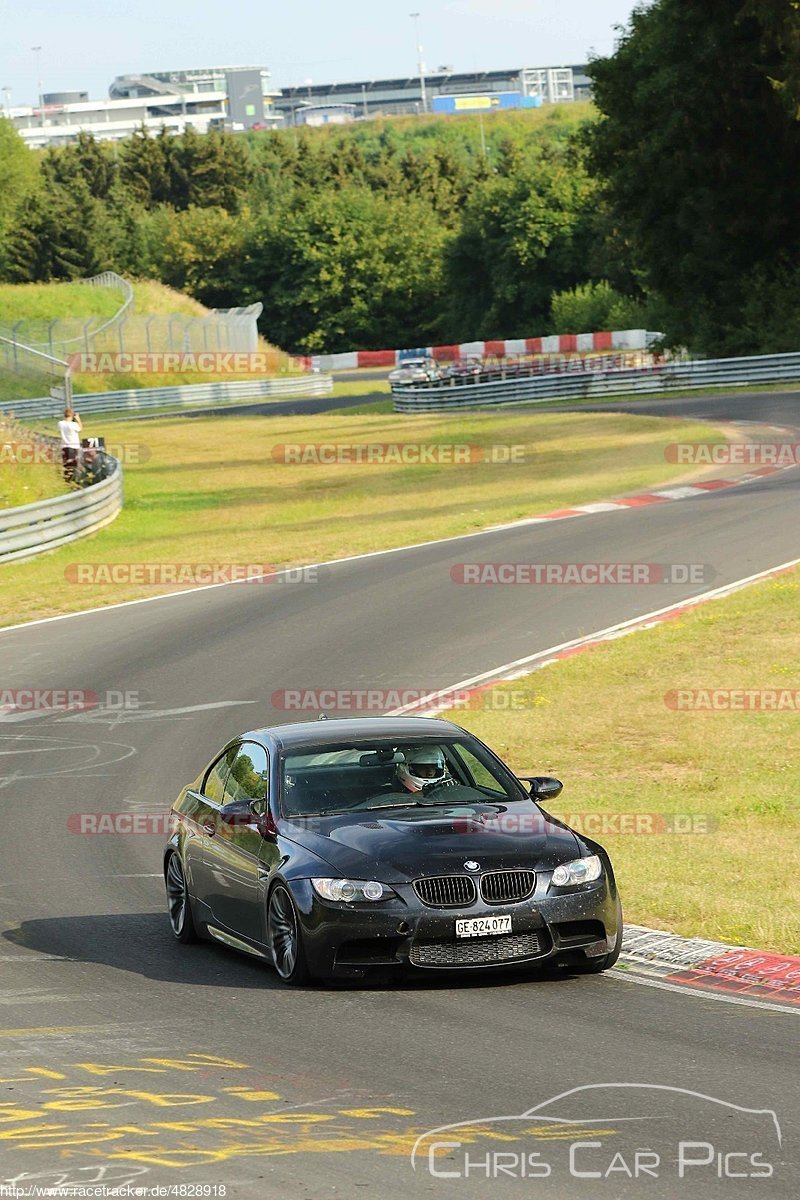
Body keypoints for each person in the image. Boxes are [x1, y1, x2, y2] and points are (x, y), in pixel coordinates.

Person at [58, 407, 82, 484]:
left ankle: (67, 480)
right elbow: (80, 429)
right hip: (74, 447)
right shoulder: (74, 424)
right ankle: (74, 481)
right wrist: (78, 419)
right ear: (72, 415)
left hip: (64, 447)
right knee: (74, 464)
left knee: (66, 464)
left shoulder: (60, 423)